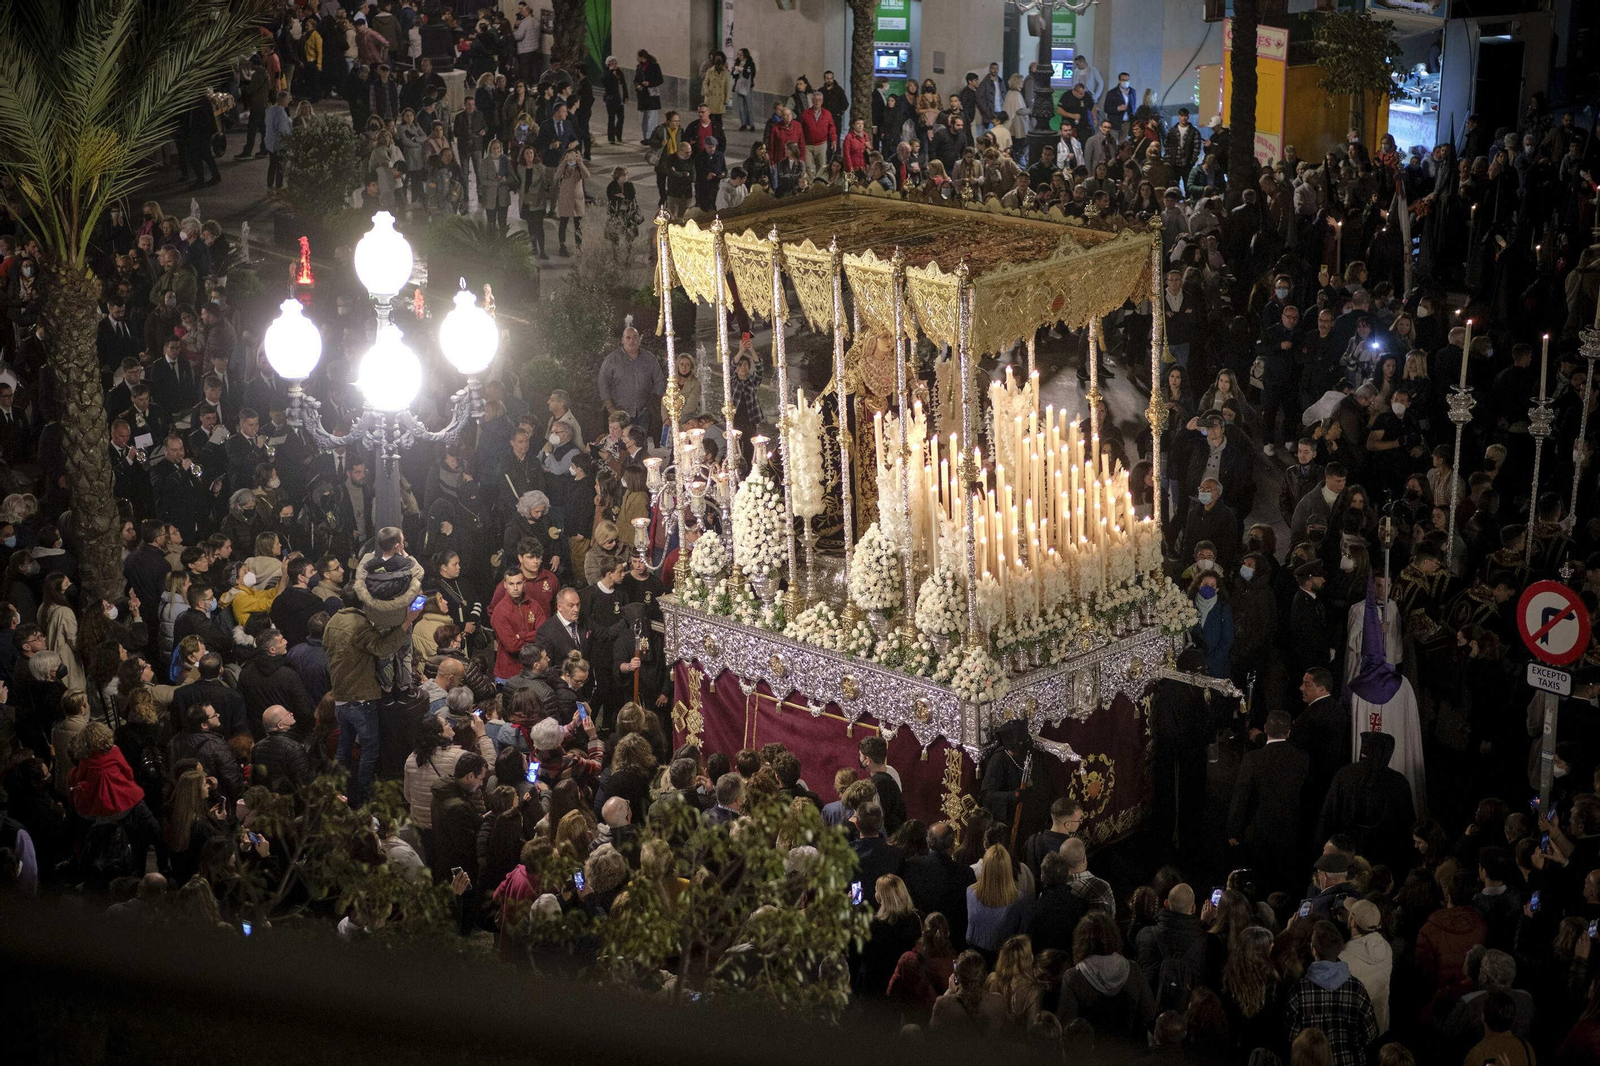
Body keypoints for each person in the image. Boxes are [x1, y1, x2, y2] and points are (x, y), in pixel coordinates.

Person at [324, 586, 421, 808]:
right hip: (361, 698)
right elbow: (383, 648)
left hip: (341, 695)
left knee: (344, 749)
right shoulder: (359, 625)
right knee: (370, 751)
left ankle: (340, 793)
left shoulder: (334, 620)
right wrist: (407, 622)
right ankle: (363, 799)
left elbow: (326, 648)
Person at [1284, 922, 1380, 1066]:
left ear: (1313, 950)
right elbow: (1371, 1033)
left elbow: (1291, 1036)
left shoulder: (1299, 990)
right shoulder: (1356, 988)